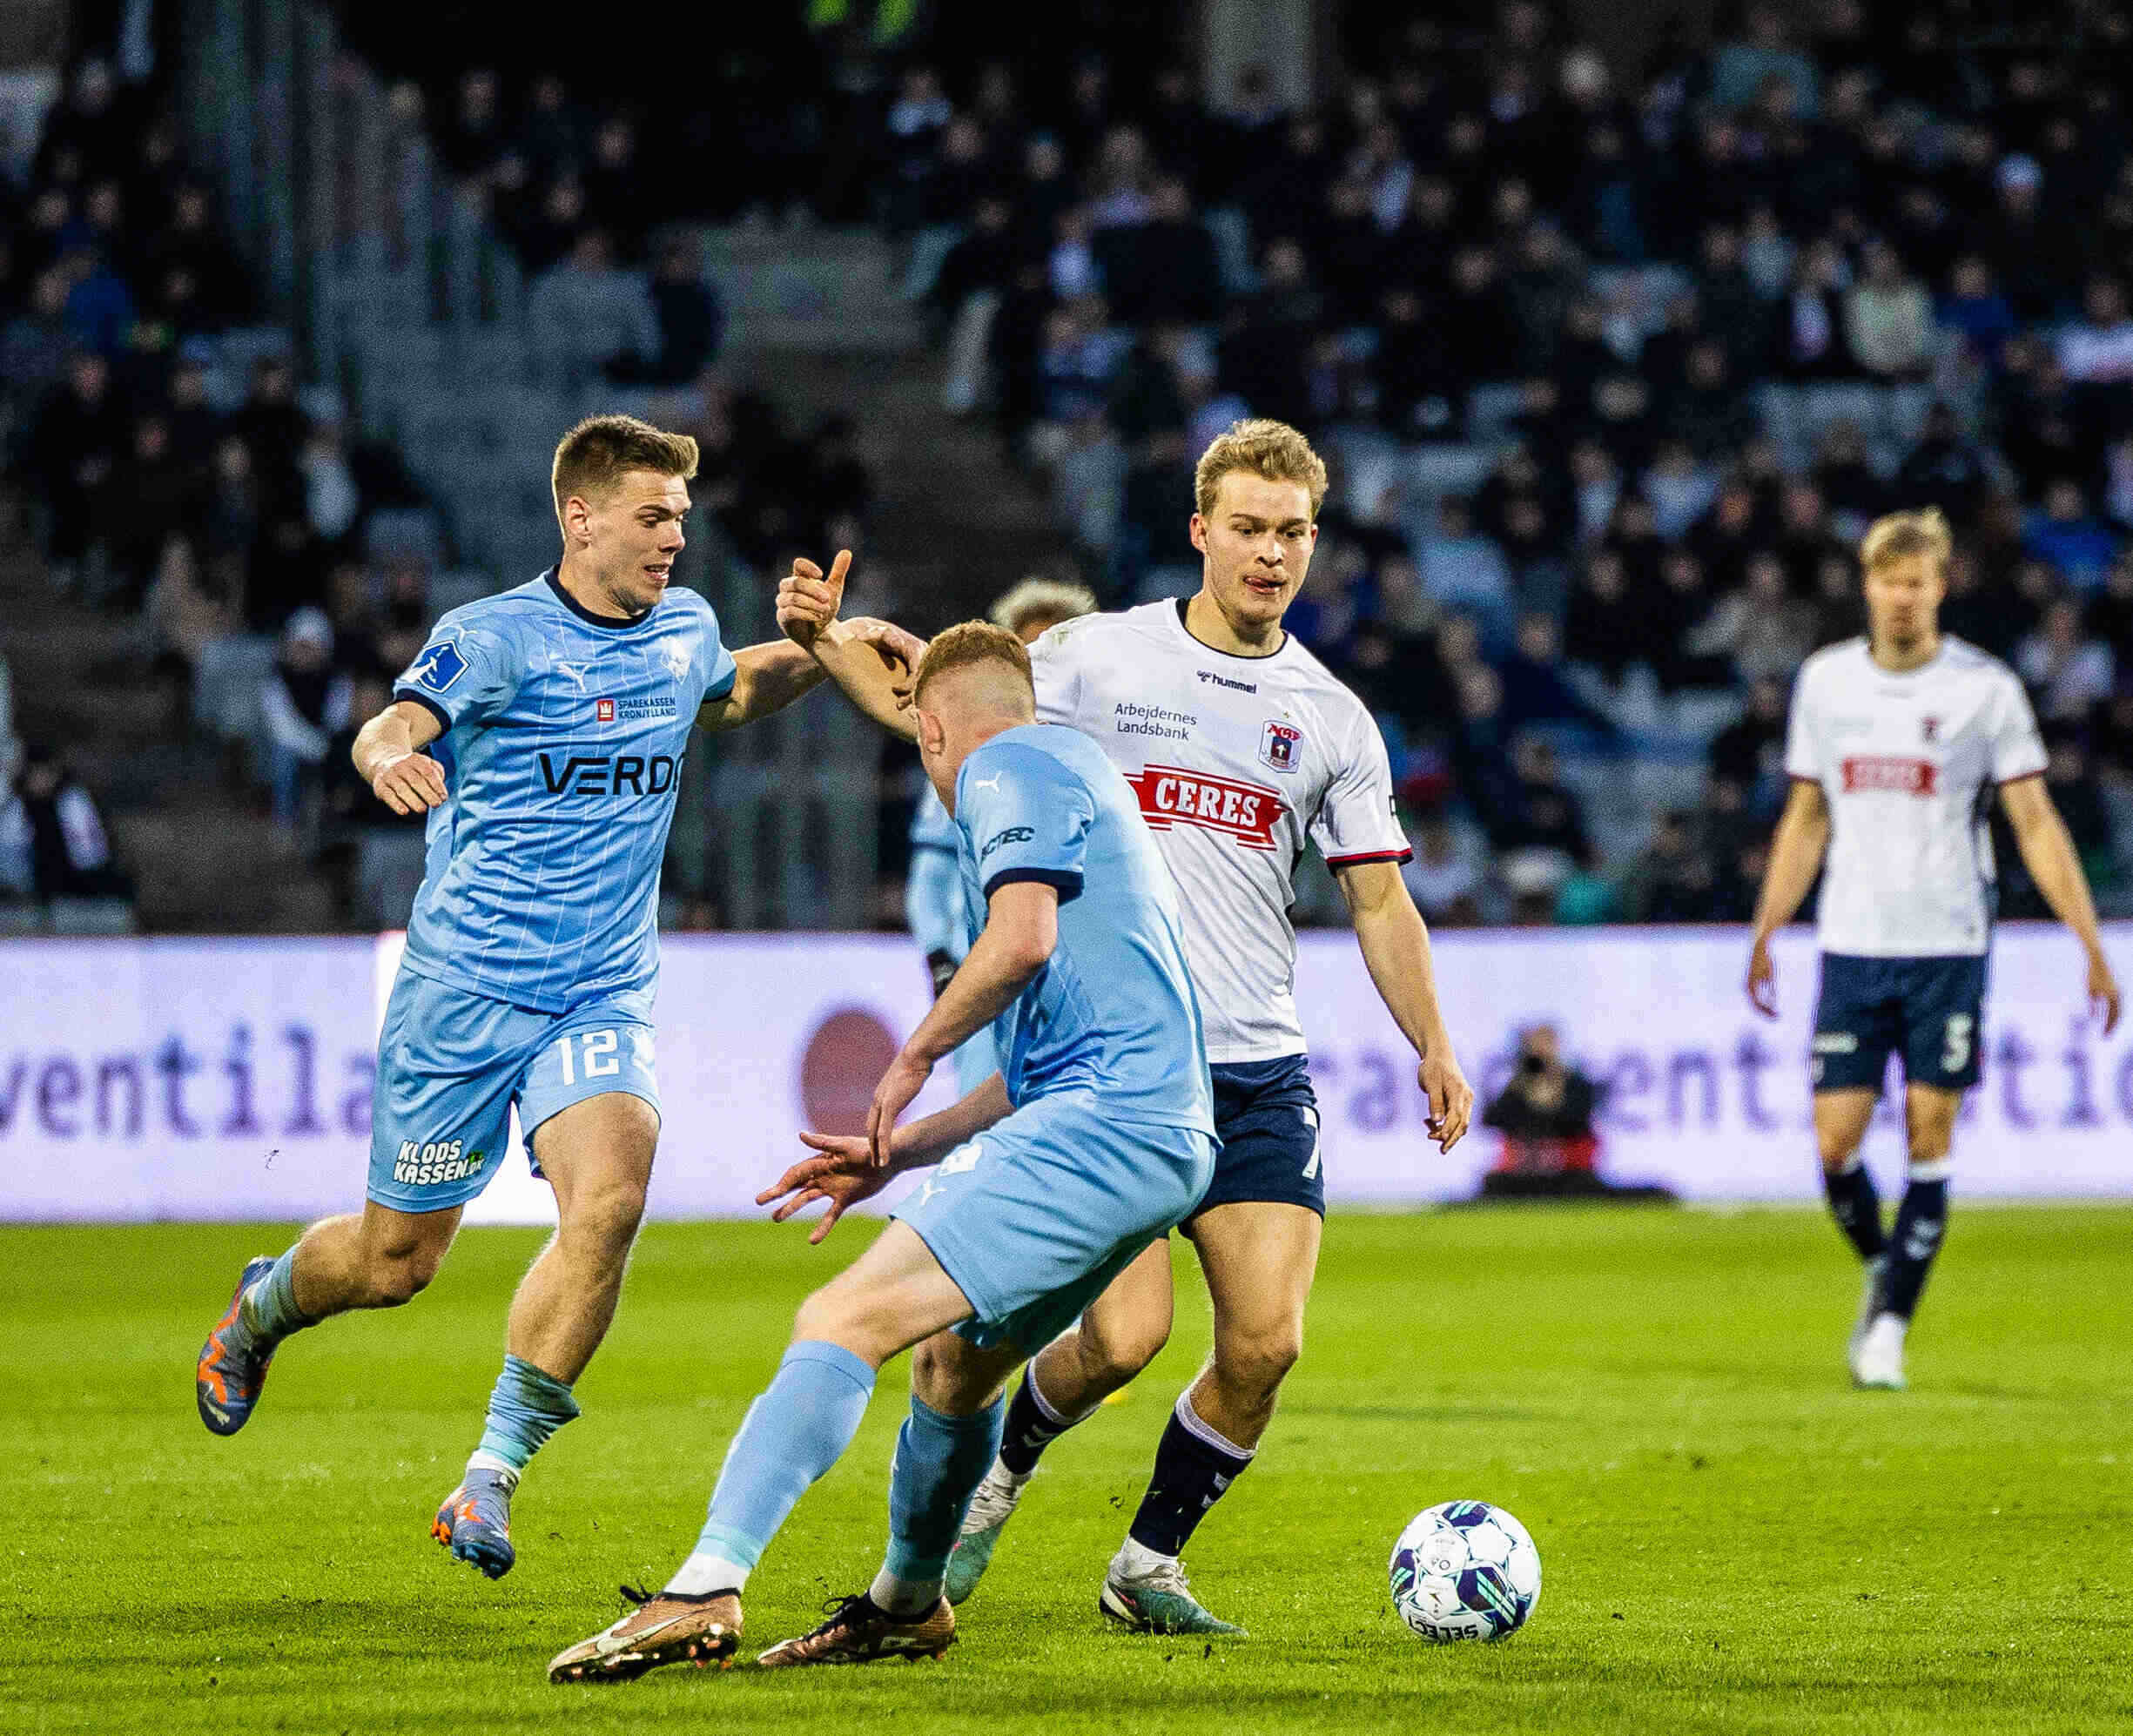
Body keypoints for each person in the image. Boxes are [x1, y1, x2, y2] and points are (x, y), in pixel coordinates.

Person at [192, 415, 920, 1582]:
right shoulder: (492, 639)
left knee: (614, 1189)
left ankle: (490, 1474)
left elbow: (725, 694)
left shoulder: (680, 628)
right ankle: (264, 1307)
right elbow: (396, 719)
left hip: (597, 989)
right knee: (394, 1264)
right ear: (579, 518)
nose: (674, 537)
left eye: (681, 516)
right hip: (463, 993)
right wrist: (381, 754)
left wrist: (808, 646)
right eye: (651, 515)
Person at [780, 419, 1474, 1632]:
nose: (1270, 554)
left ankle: (1145, 1563)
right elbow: (941, 716)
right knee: (1120, 1340)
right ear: (1200, 531)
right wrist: (825, 642)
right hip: (1119, 1064)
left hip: (1255, 1064)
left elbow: (1376, 897)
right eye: (1249, 529)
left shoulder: (1330, 716)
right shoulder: (1095, 658)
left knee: (1264, 1345)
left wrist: (1432, 1039)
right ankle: (998, 1473)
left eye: (1292, 533)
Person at [547, 622, 1219, 1679]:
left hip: (1109, 1122)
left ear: (936, 729)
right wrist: (897, 1151)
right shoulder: (1076, 772)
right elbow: (1038, 1063)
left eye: (923, 738)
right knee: (954, 1366)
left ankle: (705, 1580)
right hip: (1156, 1129)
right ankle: (907, 1603)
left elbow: (1021, 936)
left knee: (839, 1316)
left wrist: (910, 1055)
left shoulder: (1007, 762)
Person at [1746, 508, 2122, 1390]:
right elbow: (1804, 817)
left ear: (1938, 588)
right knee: (1833, 1142)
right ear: (1867, 588)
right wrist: (1766, 927)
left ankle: (1887, 1326)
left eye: (1916, 583)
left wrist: (2089, 942)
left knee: (1926, 1127)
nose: (1901, 598)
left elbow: (2032, 818)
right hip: (1850, 939)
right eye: (1886, 582)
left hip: (1947, 940)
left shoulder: (1982, 689)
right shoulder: (1825, 683)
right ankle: (1888, 1263)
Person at [907, 579, 1097, 1096]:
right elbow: (930, 875)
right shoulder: (965, 763)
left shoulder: (1100, 757)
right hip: (990, 978)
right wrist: (944, 959)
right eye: (1028, 655)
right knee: (981, 1128)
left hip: (1082, 985)